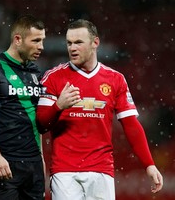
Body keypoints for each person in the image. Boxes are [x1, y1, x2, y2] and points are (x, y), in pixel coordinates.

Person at [37, 19, 163, 200]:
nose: (72, 48)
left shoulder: (115, 79)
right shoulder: (53, 77)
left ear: (95, 42)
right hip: (65, 171)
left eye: (79, 42)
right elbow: (41, 124)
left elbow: (131, 125)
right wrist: (59, 106)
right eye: (69, 43)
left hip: (101, 169)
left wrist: (149, 164)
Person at [0, 15, 46, 200]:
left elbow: (35, 119)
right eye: (36, 40)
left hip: (33, 164)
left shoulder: (37, 73)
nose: (41, 47)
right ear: (17, 39)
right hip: (4, 162)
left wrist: (41, 160)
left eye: (42, 40)